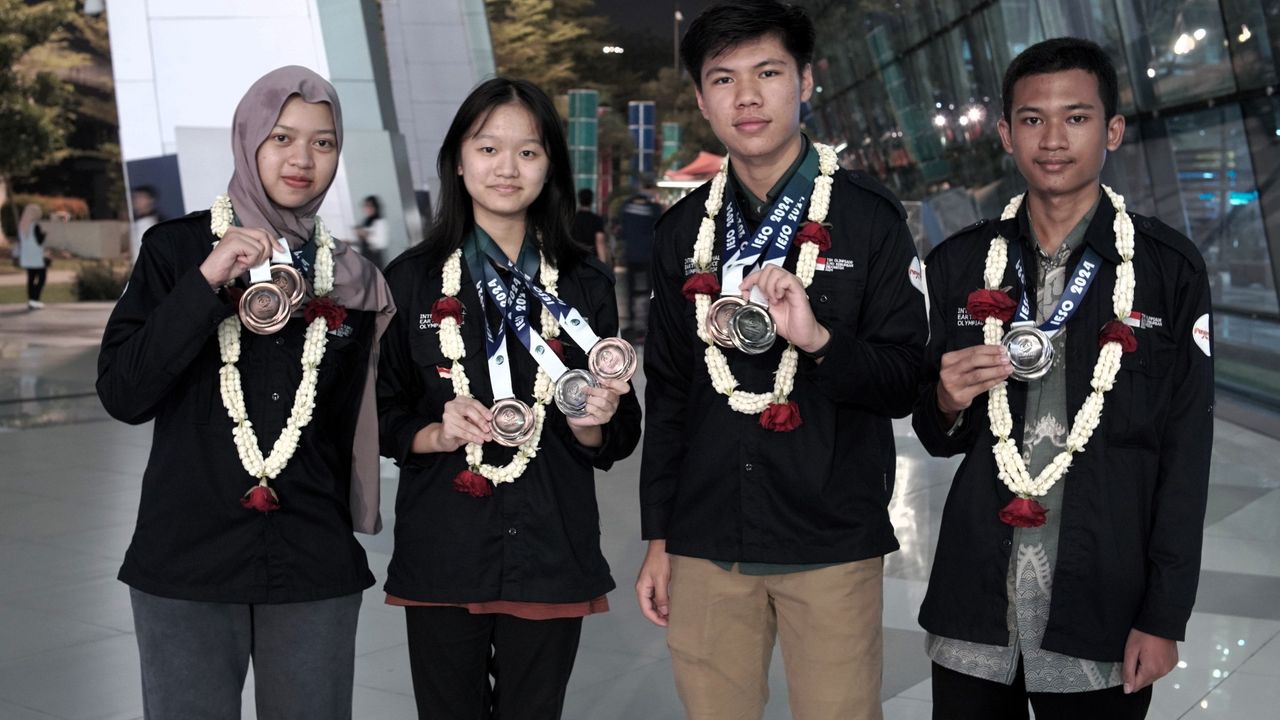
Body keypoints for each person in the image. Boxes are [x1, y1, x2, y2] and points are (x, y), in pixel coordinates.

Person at [634, 2, 927, 719]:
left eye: (768, 73)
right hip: (705, 543)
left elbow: (906, 381)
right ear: (702, 100)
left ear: (805, 80)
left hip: (828, 540)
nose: (747, 97)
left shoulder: (868, 218)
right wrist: (659, 538)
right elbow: (669, 394)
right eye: (724, 79)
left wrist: (819, 341)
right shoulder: (681, 234)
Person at [912, 38, 1213, 720]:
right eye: (1031, 119)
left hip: (1100, 609)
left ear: (1111, 131)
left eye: (1075, 118)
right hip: (975, 609)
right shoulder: (960, 264)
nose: (1053, 139)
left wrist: (1164, 616)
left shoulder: (1168, 270)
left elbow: (1186, 453)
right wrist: (944, 397)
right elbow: (936, 434)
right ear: (1005, 134)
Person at [97, 66, 394, 720]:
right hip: (187, 560)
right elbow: (124, 392)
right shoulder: (177, 250)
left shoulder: (352, 279)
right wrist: (207, 280)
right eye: (282, 137)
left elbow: (372, 417)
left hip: (312, 561)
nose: (302, 158)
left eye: (323, 142)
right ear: (249, 140)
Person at [376, 77, 641, 720]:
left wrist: (592, 421)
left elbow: (623, 428)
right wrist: (435, 433)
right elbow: (382, 414)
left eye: (528, 151)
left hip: (550, 543)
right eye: (488, 147)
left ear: (549, 164)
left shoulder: (584, 282)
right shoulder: (410, 280)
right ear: (458, 160)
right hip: (445, 546)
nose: (506, 167)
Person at [617, 179, 662, 337]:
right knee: (650, 292)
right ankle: (647, 324)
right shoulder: (653, 208)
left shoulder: (626, 206)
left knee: (630, 292)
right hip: (649, 255)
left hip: (631, 255)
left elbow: (621, 231)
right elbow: (660, 230)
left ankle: (630, 324)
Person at [16, 203, 48, 309]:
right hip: (37, 257)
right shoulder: (35, 226)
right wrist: (45, 234)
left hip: (26, 257)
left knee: (31, 278)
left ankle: (31, 300)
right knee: (42, 278)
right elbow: (39, 241)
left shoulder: (21, 226)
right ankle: (35, 299)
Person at [571, 187, 609, 265]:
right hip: (591, 259)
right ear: (591, 201)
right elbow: (600, 241)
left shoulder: (572, 219)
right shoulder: (596, 219)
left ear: (579, 200)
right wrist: (603, 264)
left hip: (574, 259)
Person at [129, 185, 162, 266]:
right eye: (136, 197)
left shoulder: (156, 225)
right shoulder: (136, 223)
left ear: (150, 200)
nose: (137, 201)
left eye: (141, 197)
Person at [354, 194, 388, 268]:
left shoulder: (380, 222)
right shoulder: (365, 222)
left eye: (369, 206)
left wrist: (365, 234)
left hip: (374, 258)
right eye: (365, 206)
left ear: (375, 207)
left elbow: (381, 243)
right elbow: (363, 243)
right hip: (365, 257)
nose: (366, 209)